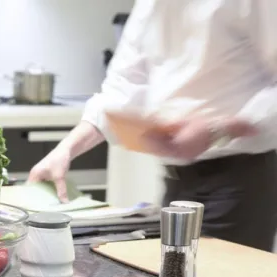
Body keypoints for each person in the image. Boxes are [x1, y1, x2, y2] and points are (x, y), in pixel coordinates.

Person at [28, 0, 277, 251]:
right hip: (177, 184)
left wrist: (219, 128)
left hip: (238, 185)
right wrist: (66, 150)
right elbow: (122, 88)